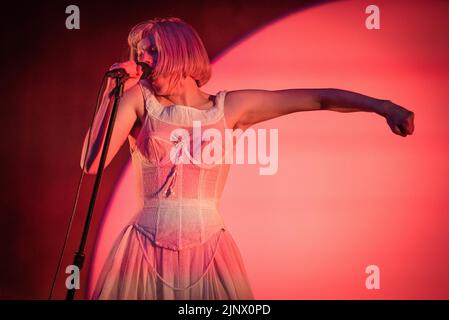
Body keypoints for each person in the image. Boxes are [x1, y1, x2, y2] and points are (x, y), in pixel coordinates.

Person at [80, 17, 415, 300]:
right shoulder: (139, 100)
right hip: (144, 247)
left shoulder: (228, 107)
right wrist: (114, 93)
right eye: (139, 53)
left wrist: (383, 106)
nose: (143, 58)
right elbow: (91, 164)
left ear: (179, 51)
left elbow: (317, 98)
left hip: (208, 248)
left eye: (151, 49)